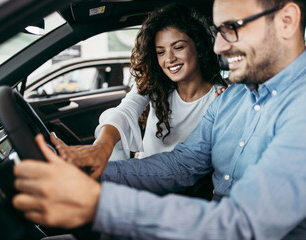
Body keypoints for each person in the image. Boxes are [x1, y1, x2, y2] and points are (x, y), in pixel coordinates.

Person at [12, 0, 306, 239]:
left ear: (286, 21)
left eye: (232, 27)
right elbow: (183, 164)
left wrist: (97, 202)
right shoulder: (234, 99)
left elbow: (241, 224)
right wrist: (95, 171)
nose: (218, 45)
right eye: (218, 32)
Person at [51, 4, 226, 178]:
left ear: (199, 48)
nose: (170, 59)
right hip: (140, 176)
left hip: (182, 188)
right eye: (160, 52)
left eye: (178, 47)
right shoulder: (156, 85)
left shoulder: (221, 97)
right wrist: (101, 147)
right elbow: (125, 110)